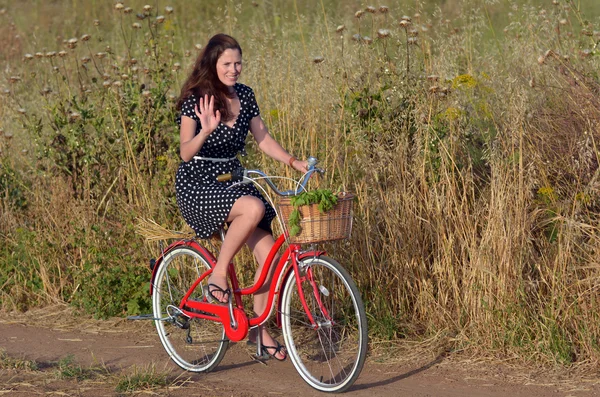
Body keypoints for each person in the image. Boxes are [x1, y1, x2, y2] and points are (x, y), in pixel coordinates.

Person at [175, 33, 307, 361]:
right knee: (253, 206)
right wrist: (205, 130)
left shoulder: (245, 95)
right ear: (212, 65)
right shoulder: (197, 99)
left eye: (238, 63)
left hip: (232, 181)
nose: (234, 69)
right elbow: (185, 152)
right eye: (227, 64)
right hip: (199, 183)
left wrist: (292, 161)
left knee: (270, 257)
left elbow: (262, 138)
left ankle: (260, 333)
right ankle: (219, 274)